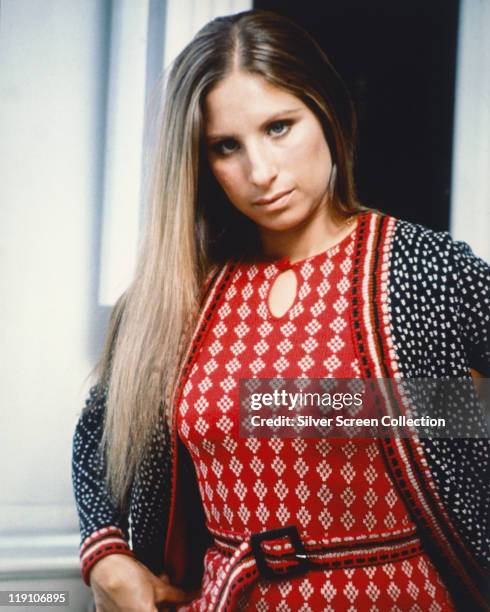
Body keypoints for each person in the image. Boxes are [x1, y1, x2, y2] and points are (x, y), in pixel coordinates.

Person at [72, 9, 490, 611]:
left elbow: (448, 424)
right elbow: (99, 434)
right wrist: (106, 555)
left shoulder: (418, 264)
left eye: (279, 127)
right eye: (226, 146)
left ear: (326, 113)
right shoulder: (177, 293)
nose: (260, 173)